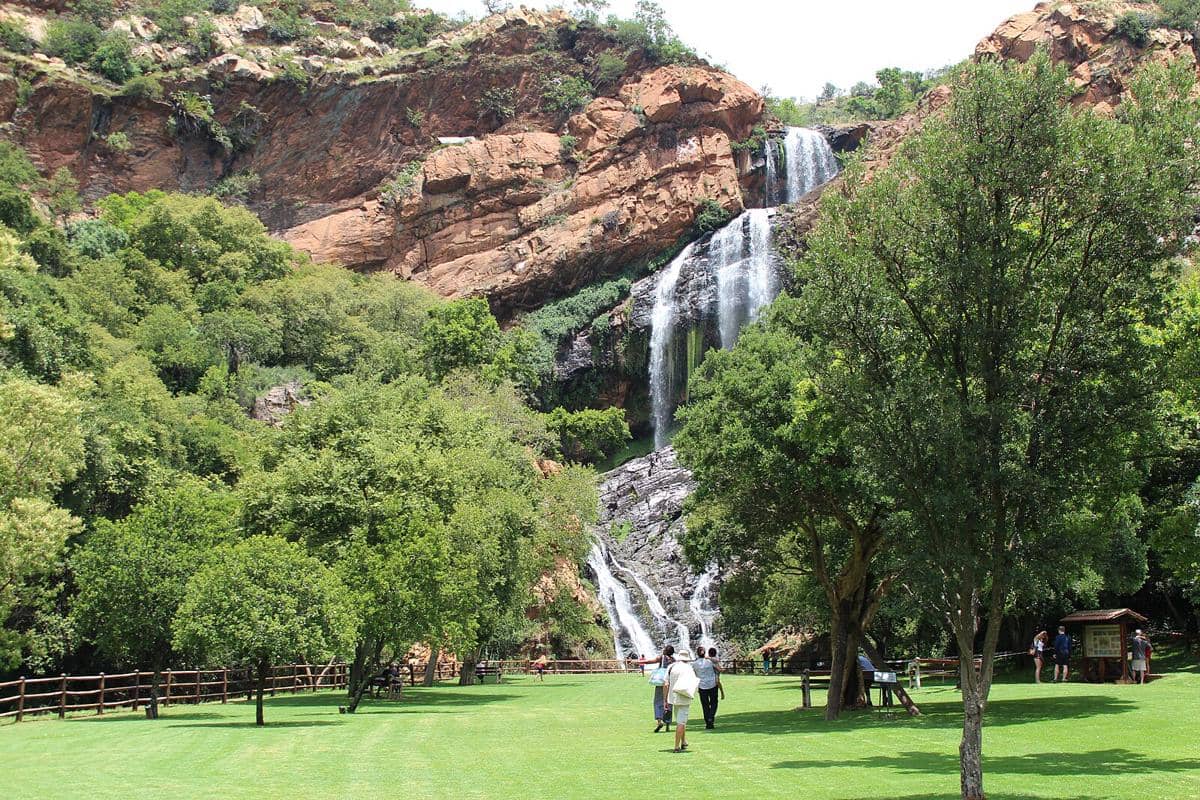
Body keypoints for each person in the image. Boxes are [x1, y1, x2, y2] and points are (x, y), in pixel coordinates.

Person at [663, 648, 698, 753]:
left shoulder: (671, 666)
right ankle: (676, 746)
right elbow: (693, 682)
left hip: (673, 697)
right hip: (684, 696)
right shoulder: (689, 668)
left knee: (680, 720)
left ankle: (683, 741)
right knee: (681, 722)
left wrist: (665, 699)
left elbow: (665, 684)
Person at [634, 646, 675, 732]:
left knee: (657, 701)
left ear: (665, 651)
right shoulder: (673, 660)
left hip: (661, 681)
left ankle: (659, 721)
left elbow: (649, 661)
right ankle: (668, 723)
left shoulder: (661, 657)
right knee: (669, 702)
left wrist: (637, 662)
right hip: (670, 683)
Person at [693, 646, 723, 729]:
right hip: (712, 684)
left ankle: (708, 722)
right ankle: (711, 717)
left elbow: (694, 674)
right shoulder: (709, 661)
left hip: (702, 685)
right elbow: (718, 668)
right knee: (714, 703)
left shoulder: (694, 664)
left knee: (705, 705)